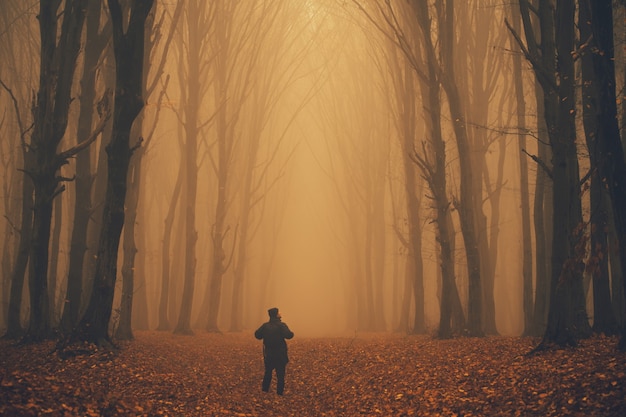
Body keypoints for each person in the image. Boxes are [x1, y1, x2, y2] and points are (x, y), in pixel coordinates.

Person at [254, 307, 294, 395]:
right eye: (279, 312)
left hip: (269, 353)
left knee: (268, 372)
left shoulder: (265, 326)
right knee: (280, 374)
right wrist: (292, 333)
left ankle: (265, 390)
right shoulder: (282, 325)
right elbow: (289, 335)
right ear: (276, 315)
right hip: (280, 353)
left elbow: (257, 335)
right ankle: (279, 393)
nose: (280, 314)